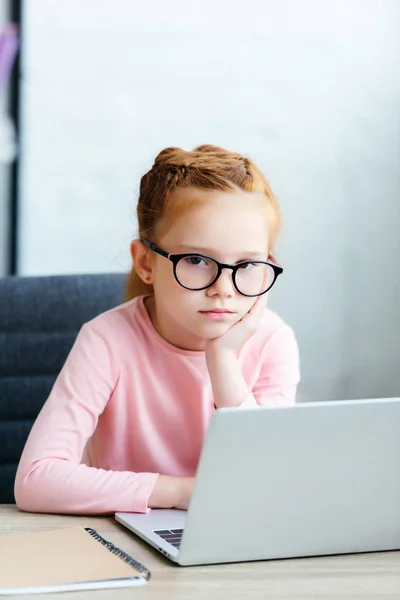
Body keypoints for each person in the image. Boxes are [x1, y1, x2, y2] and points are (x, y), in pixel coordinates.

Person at [14, 144, 300, 515]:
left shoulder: (273, 341)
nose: (223, 288)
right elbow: (36, 480)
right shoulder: (107, 340)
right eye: (197, 260)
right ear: (146, 262)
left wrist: (224, 360)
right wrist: (184, 493)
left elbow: (268, 481)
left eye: (246, 264)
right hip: (121, 540)